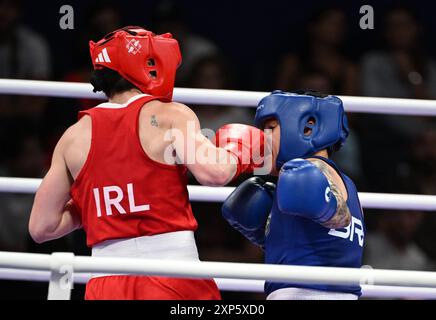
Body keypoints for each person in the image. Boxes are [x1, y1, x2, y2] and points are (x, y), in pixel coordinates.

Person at [28, 26, 265, 300]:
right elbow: (215, 173)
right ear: (148, 64)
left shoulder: (72, 137)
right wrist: (239, 150)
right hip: (170, 273)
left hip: (105, 282)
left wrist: (94, 204)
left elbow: (42, 227)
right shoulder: (170, 115)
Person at [222, 90, 365, 300]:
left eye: (271, 128)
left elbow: (342, 218)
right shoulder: (343, 183)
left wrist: (322, 205)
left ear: (307, 129)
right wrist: (266, 235)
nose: (263, 138)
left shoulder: (313, 169)